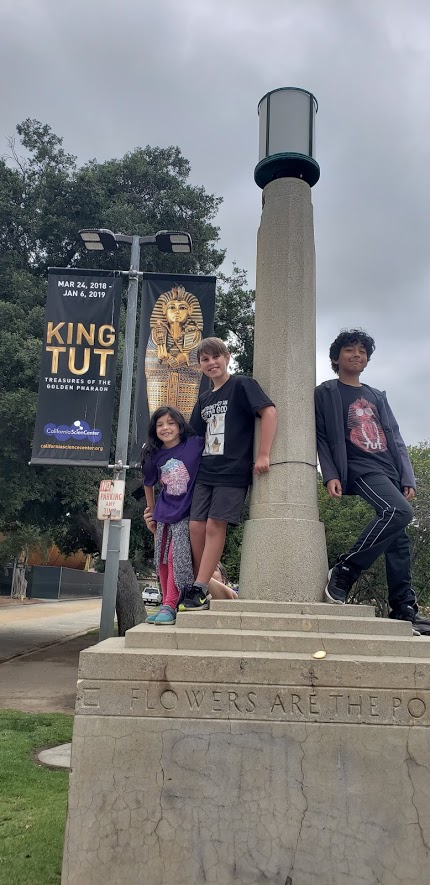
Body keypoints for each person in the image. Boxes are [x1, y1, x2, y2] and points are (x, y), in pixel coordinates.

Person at [315, 328, 420, 631]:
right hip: (358, 467)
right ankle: (346, 568)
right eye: (350, 349)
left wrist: (406, 474)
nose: (356, 355)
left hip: (387, 467)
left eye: (362, 351)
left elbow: (395, 436)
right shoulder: (326, 392)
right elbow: (321, 437)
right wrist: (330, 474)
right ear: (336, 357)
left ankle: (403, 607)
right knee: (398, 512)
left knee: (398, 538)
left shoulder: (376, 395)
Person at [178, 336, 277, 611]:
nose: (211, 363)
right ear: (200, 366)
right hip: (205, 472)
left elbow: (268, 412)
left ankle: (198, 587)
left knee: (213, 526)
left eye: (216, 357)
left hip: (232, 470)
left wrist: (264, 454)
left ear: (227, 357)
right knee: (195, 526)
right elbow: (193, 439)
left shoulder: (242, 385)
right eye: (205, 360)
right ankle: (207, 583)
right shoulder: (204, 399)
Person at [142, 406, 204, 625]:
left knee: (175, 558)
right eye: (159, 424)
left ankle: (172, 604)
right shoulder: (154, 455)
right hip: (163, 513)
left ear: (179, 425)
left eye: (170, 423)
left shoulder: (194, 444)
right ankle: (166, 604)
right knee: (161, 560)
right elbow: (148, 483)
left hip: (187, 511)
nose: (165, 428)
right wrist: (150, 513)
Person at [144, 286, 203, 420]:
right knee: (160, 421)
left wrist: (170, 359)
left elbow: (197, 367)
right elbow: (150, 367)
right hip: (159, 384)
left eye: (182, 307)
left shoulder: (195, 334)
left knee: (185, 422)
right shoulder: (157, 333)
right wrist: (175, 360)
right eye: (172, 307)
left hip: (186, 385)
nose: (177, 312)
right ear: (164, 310)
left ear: (190, 310)